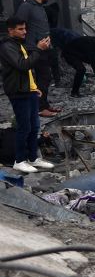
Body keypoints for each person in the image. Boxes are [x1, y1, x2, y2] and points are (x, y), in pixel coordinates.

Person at [0, 17, 55, 173]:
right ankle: (19, 160)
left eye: (25, 28)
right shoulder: (7, 47)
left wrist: (33, 87)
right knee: (24, 127)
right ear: (10, 30)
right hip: (18, 92)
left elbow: (27, 71)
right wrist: (38, 49)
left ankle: (33, 158)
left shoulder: (19, 44)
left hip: (27, 90)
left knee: (34, 126)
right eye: (20, 29)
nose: (24, 31)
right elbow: (23, 65)